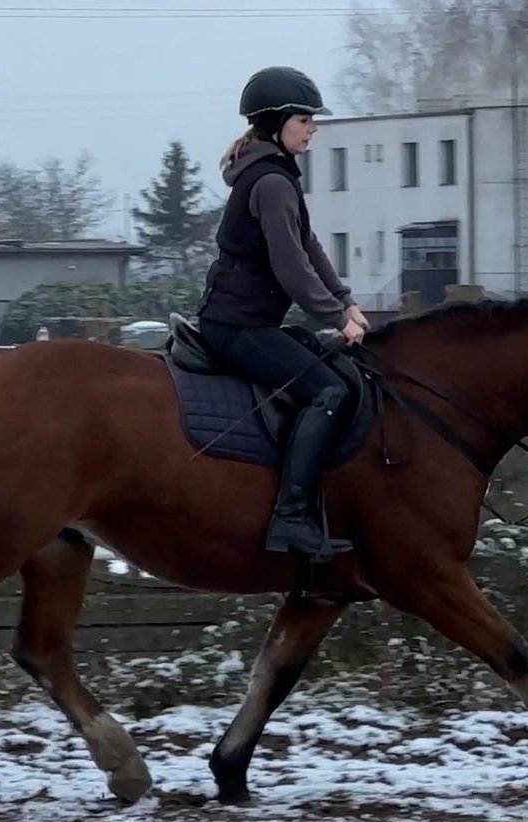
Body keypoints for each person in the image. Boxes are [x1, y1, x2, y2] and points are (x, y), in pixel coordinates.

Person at [197, 66, 372, 561]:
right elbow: (290, 265)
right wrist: (337, 318)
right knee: (330, 391)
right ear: (275, 123)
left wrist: (345, 300)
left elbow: (308, 244)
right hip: (236, 325)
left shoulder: (276, 175)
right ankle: (291, 519)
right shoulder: (271, 181)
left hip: (252, 321)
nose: (312, 128)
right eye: (304, 119)